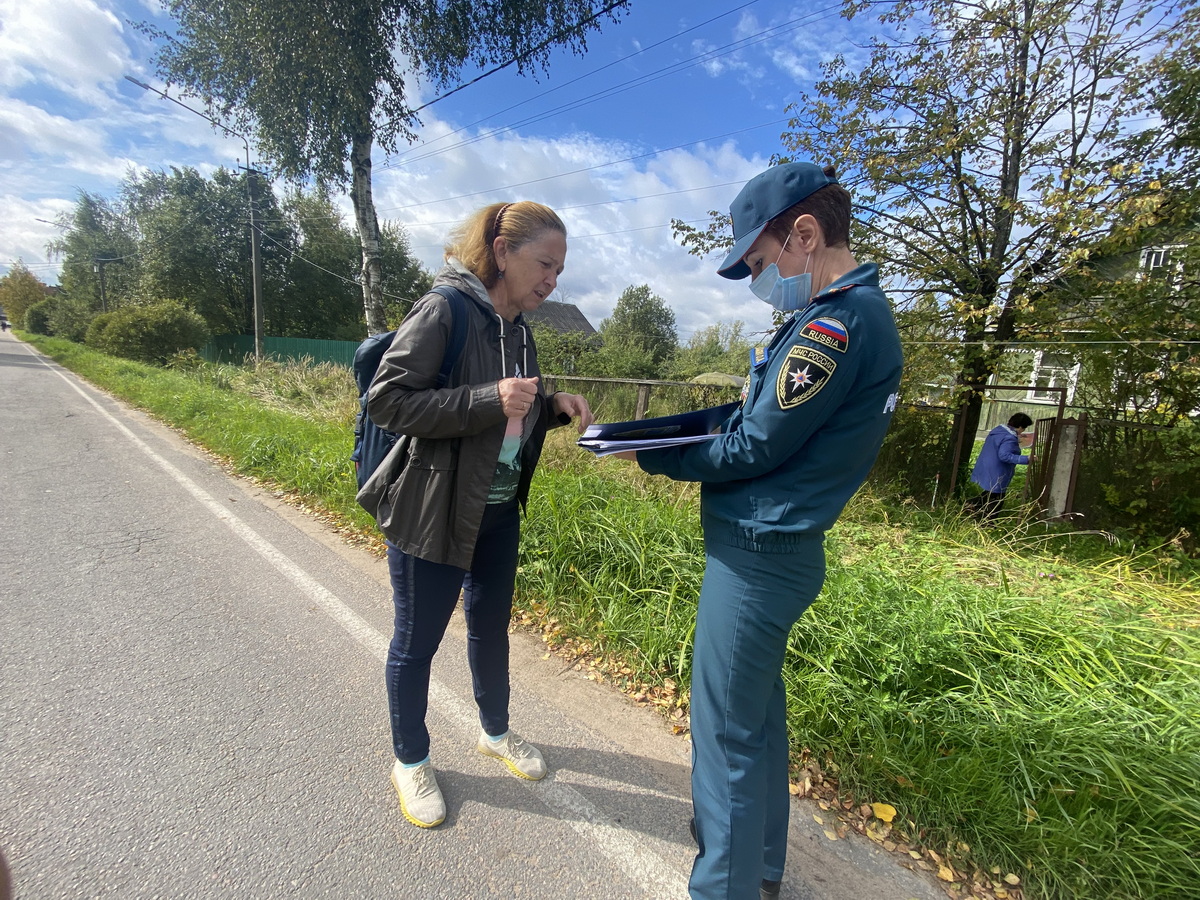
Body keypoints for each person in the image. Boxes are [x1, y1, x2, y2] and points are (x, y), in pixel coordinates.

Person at [613, 162, 903, 900]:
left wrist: (656, 452)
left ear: (803, 234)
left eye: (759, 263)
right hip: (778, 551)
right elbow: (764, 424)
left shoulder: (834, 325)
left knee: (726, 741)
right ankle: (761, 868)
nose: (756, 282)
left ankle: (725, 885)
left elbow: (753, 448)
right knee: (758, 725)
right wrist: (687, 430)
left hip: (757, 555)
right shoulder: (842, 315)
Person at [365, 201, 593, 828]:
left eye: (559, 268)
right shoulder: (446, 309)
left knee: (490, 628)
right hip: (434, 507)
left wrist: (551, 405)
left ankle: (496, 732)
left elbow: (511, 414)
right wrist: (487, 398)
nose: (552, 279)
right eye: (544, 263)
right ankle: (410, 759)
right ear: (501, 251)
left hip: (497, 509)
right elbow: (388, 400)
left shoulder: (520, 328)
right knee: (416, 643)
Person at [966, 412, 1033, 521]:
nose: (1023, 431)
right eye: (1024, 428)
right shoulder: (1009, 437)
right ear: (1020, 426)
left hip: (987, 466)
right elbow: (1005, 456)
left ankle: (970, 507)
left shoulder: (998, 431)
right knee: (996, 498)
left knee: (989, 494)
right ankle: (987, 522)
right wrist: (1026, 459)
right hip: (997, 471)